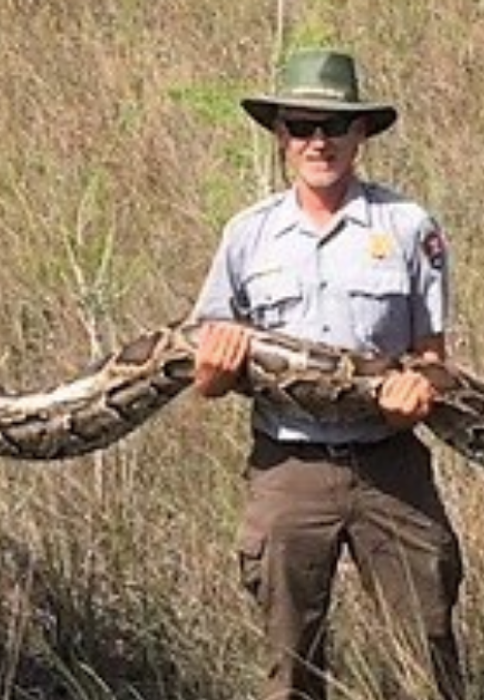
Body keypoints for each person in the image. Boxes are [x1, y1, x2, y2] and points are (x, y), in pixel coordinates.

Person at [191, 49, 463, 700]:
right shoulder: (248, 234)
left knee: (426, 653)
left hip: (389, 464)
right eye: (301, 125)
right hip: (288, 468)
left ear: (360, 133)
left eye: (334, 125)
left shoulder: (408, 227)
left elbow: (432, 359)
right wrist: (215, 371)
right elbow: (202, 372)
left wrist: (415, 393)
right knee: (291, 665)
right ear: (280, 135)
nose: (319, 141)